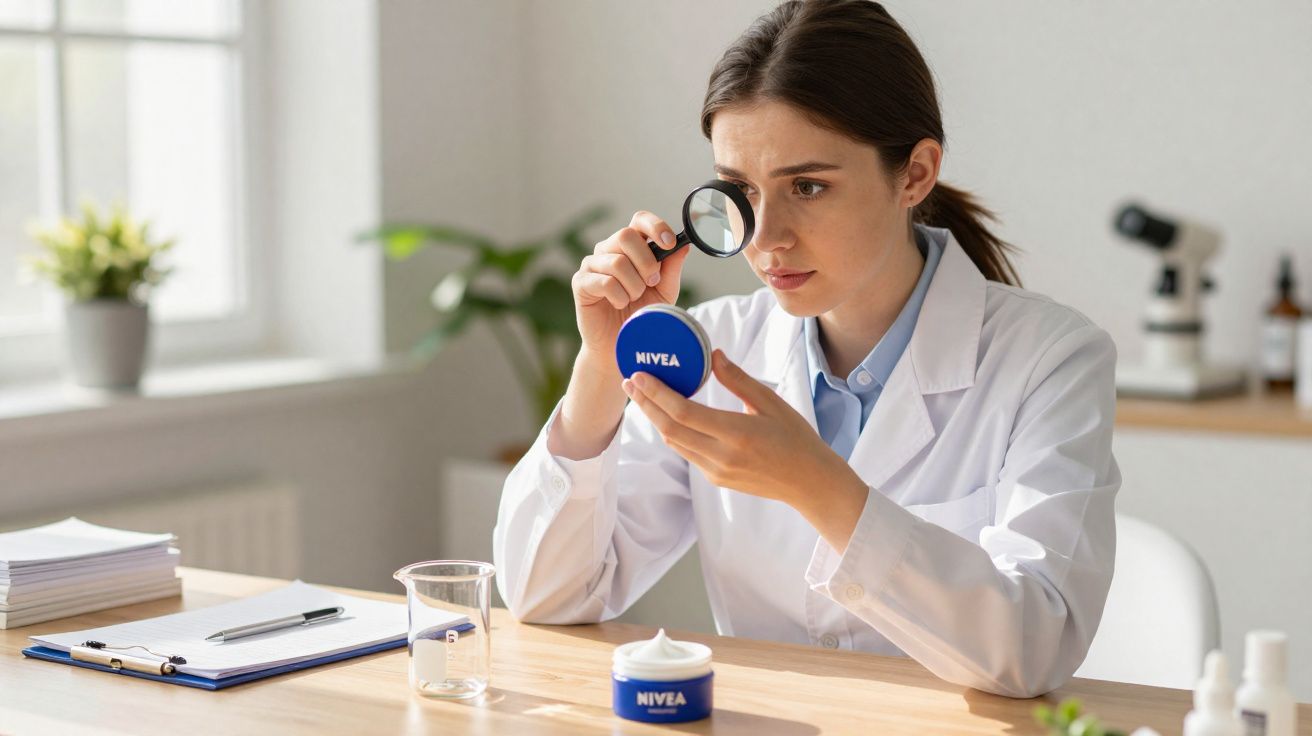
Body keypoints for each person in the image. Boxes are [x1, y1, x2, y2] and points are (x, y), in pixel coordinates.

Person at [493, 0, 1119, 698]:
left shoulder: (1051, 359)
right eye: (738, 192)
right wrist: (600, 369)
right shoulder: (718, 346)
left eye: (809, 186)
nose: (765, 239)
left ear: (914, 174)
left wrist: (815, 484)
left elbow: (1033, 646)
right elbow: (545, 596)